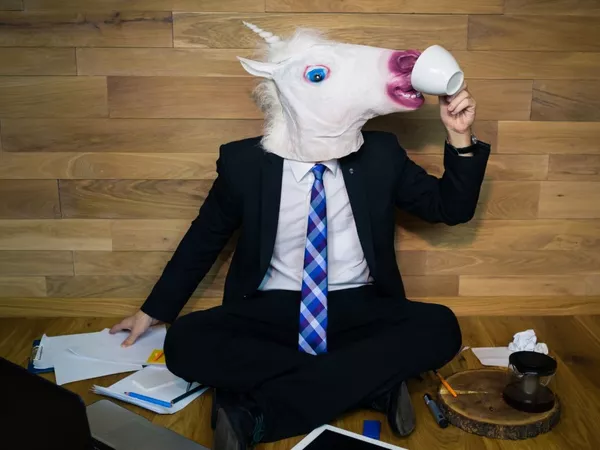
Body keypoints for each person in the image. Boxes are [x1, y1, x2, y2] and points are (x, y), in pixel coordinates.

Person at [111, 25, 490, 450]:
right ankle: (371, 385)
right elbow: (206, 235)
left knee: (440, 328)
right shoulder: (244, 163)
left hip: (359, 304)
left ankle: (257, 414)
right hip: (272, 308)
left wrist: (460, 137)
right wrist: (153, 310)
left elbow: (449, 210)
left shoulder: (381, 155)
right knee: (184, 344)